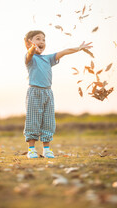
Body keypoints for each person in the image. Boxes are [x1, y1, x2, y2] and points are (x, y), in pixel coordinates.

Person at [24, 30, 93, 158]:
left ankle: (46, 149)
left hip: (48, 92)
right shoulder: (30, 58)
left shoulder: (48, 58)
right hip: (35, 92)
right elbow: (29, 53)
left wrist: (78, 48)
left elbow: (64, 52)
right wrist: (32, 49)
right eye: (38, 39)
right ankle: (31, 150)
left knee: (49, 121)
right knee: (33, 121)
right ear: (29, 43)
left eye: (44, 40)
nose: (41, 42)